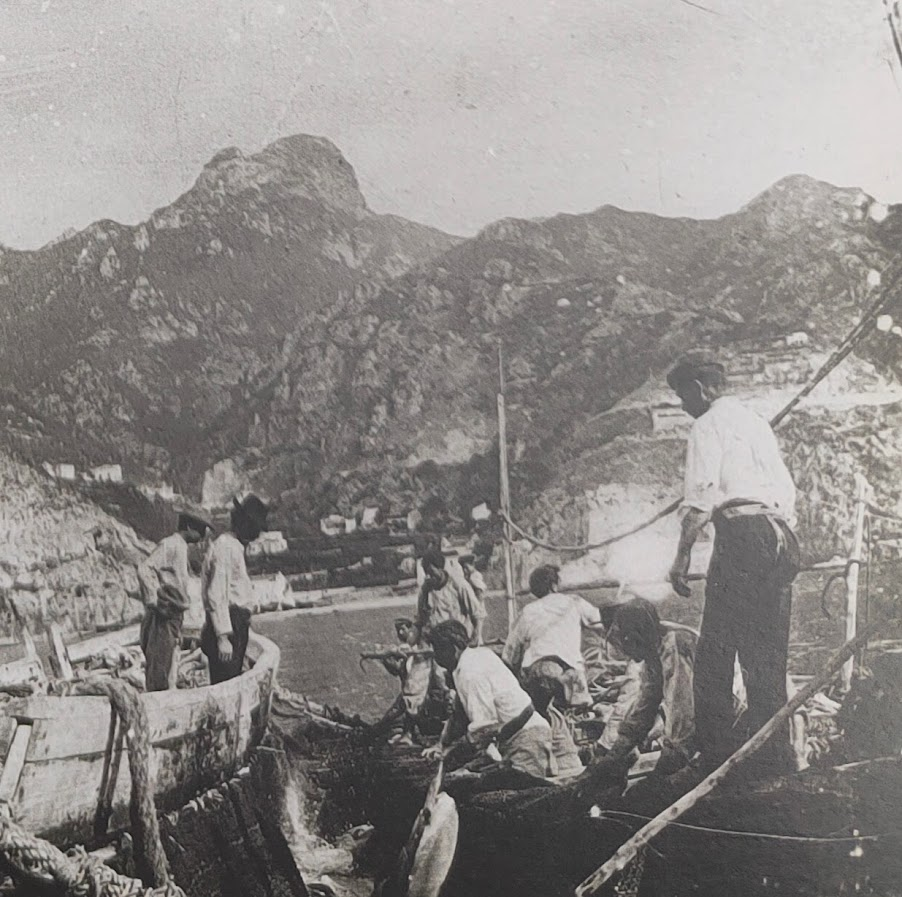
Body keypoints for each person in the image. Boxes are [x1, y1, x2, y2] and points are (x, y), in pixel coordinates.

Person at [666, 356, 800, 775]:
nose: (683, 405)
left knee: (715, 655)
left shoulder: (707, 425)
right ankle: (774, 755)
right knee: (767, 655)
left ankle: (716, 757)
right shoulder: (756, 421)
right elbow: (786, 490)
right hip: (781, 536)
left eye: (683, 395)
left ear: (701, 389)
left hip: (742, 535)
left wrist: (681, 558)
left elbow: (700, 499)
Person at [424, 620, 556, 778]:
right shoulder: (472, 658)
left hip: (526, 737)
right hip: (514, 736)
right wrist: (441, 744)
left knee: (519, 792)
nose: (436, 656)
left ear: (453, 648)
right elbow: (459, 713)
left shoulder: (470, 673)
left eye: (438, 650)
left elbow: (483, 729)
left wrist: (449, 752)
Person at [502, 565, 603, 707]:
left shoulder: (528, 611)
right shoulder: (574, 602)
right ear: (554, 585)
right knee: (580, 711)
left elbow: (510, 652)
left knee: (537, 711)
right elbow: (600, 621)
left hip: (538, 669)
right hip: (571, 669)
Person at [137, 512, 212, 691]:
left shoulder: (181, 546)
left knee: (169, 660)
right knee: (160, 662)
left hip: (174, 614)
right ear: (189, 528)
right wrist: (155, 601)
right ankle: (158, 699)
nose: (201, 536)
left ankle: (165, 695)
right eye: (200, 531)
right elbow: (145, 569)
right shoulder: (170, 544)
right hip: (164, 615)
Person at [201, 494, 268, 684]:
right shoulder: (226, 547)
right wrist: (223, 637)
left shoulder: (233, 546)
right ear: (245, 523)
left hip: (236, 623)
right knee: (226, 682)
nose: (257, 534)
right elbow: (216, 593)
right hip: (230, 623)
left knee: (232, 677)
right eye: (255, 527)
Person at [379, 618, 453, 744]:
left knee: (395, 716)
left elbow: (438, 678)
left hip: (425, 698)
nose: (401, 633)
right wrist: (385, 659)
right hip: (410, 694)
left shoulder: (426, 654)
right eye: (398, 630)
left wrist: (444, 692)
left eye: (404, 629)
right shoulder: (406, 652)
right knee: (391, 717)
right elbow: (399, 671)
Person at [417, 549, 486, 645]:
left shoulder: (459, 584)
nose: (428, 576)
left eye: (431, 572)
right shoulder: (425, 590)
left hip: (461, 642)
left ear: (440, 568)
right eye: (426, 573)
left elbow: (478, 614)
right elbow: (421, 620)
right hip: (438, 645)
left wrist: (476, 637)